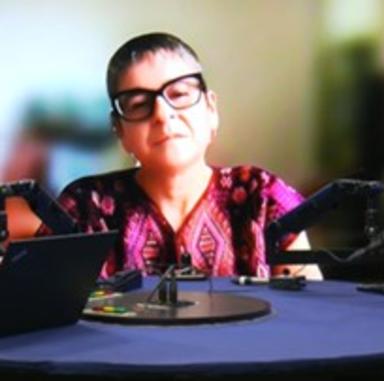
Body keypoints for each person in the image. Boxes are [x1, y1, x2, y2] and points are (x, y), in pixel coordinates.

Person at [39, 32, 322, 280]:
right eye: (139, 104)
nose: (163, 115)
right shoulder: (85, 206)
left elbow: (310, 314)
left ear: (211, 109)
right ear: (119, 130)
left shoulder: (261, 196)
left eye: (180, 94)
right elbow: (40, 313)